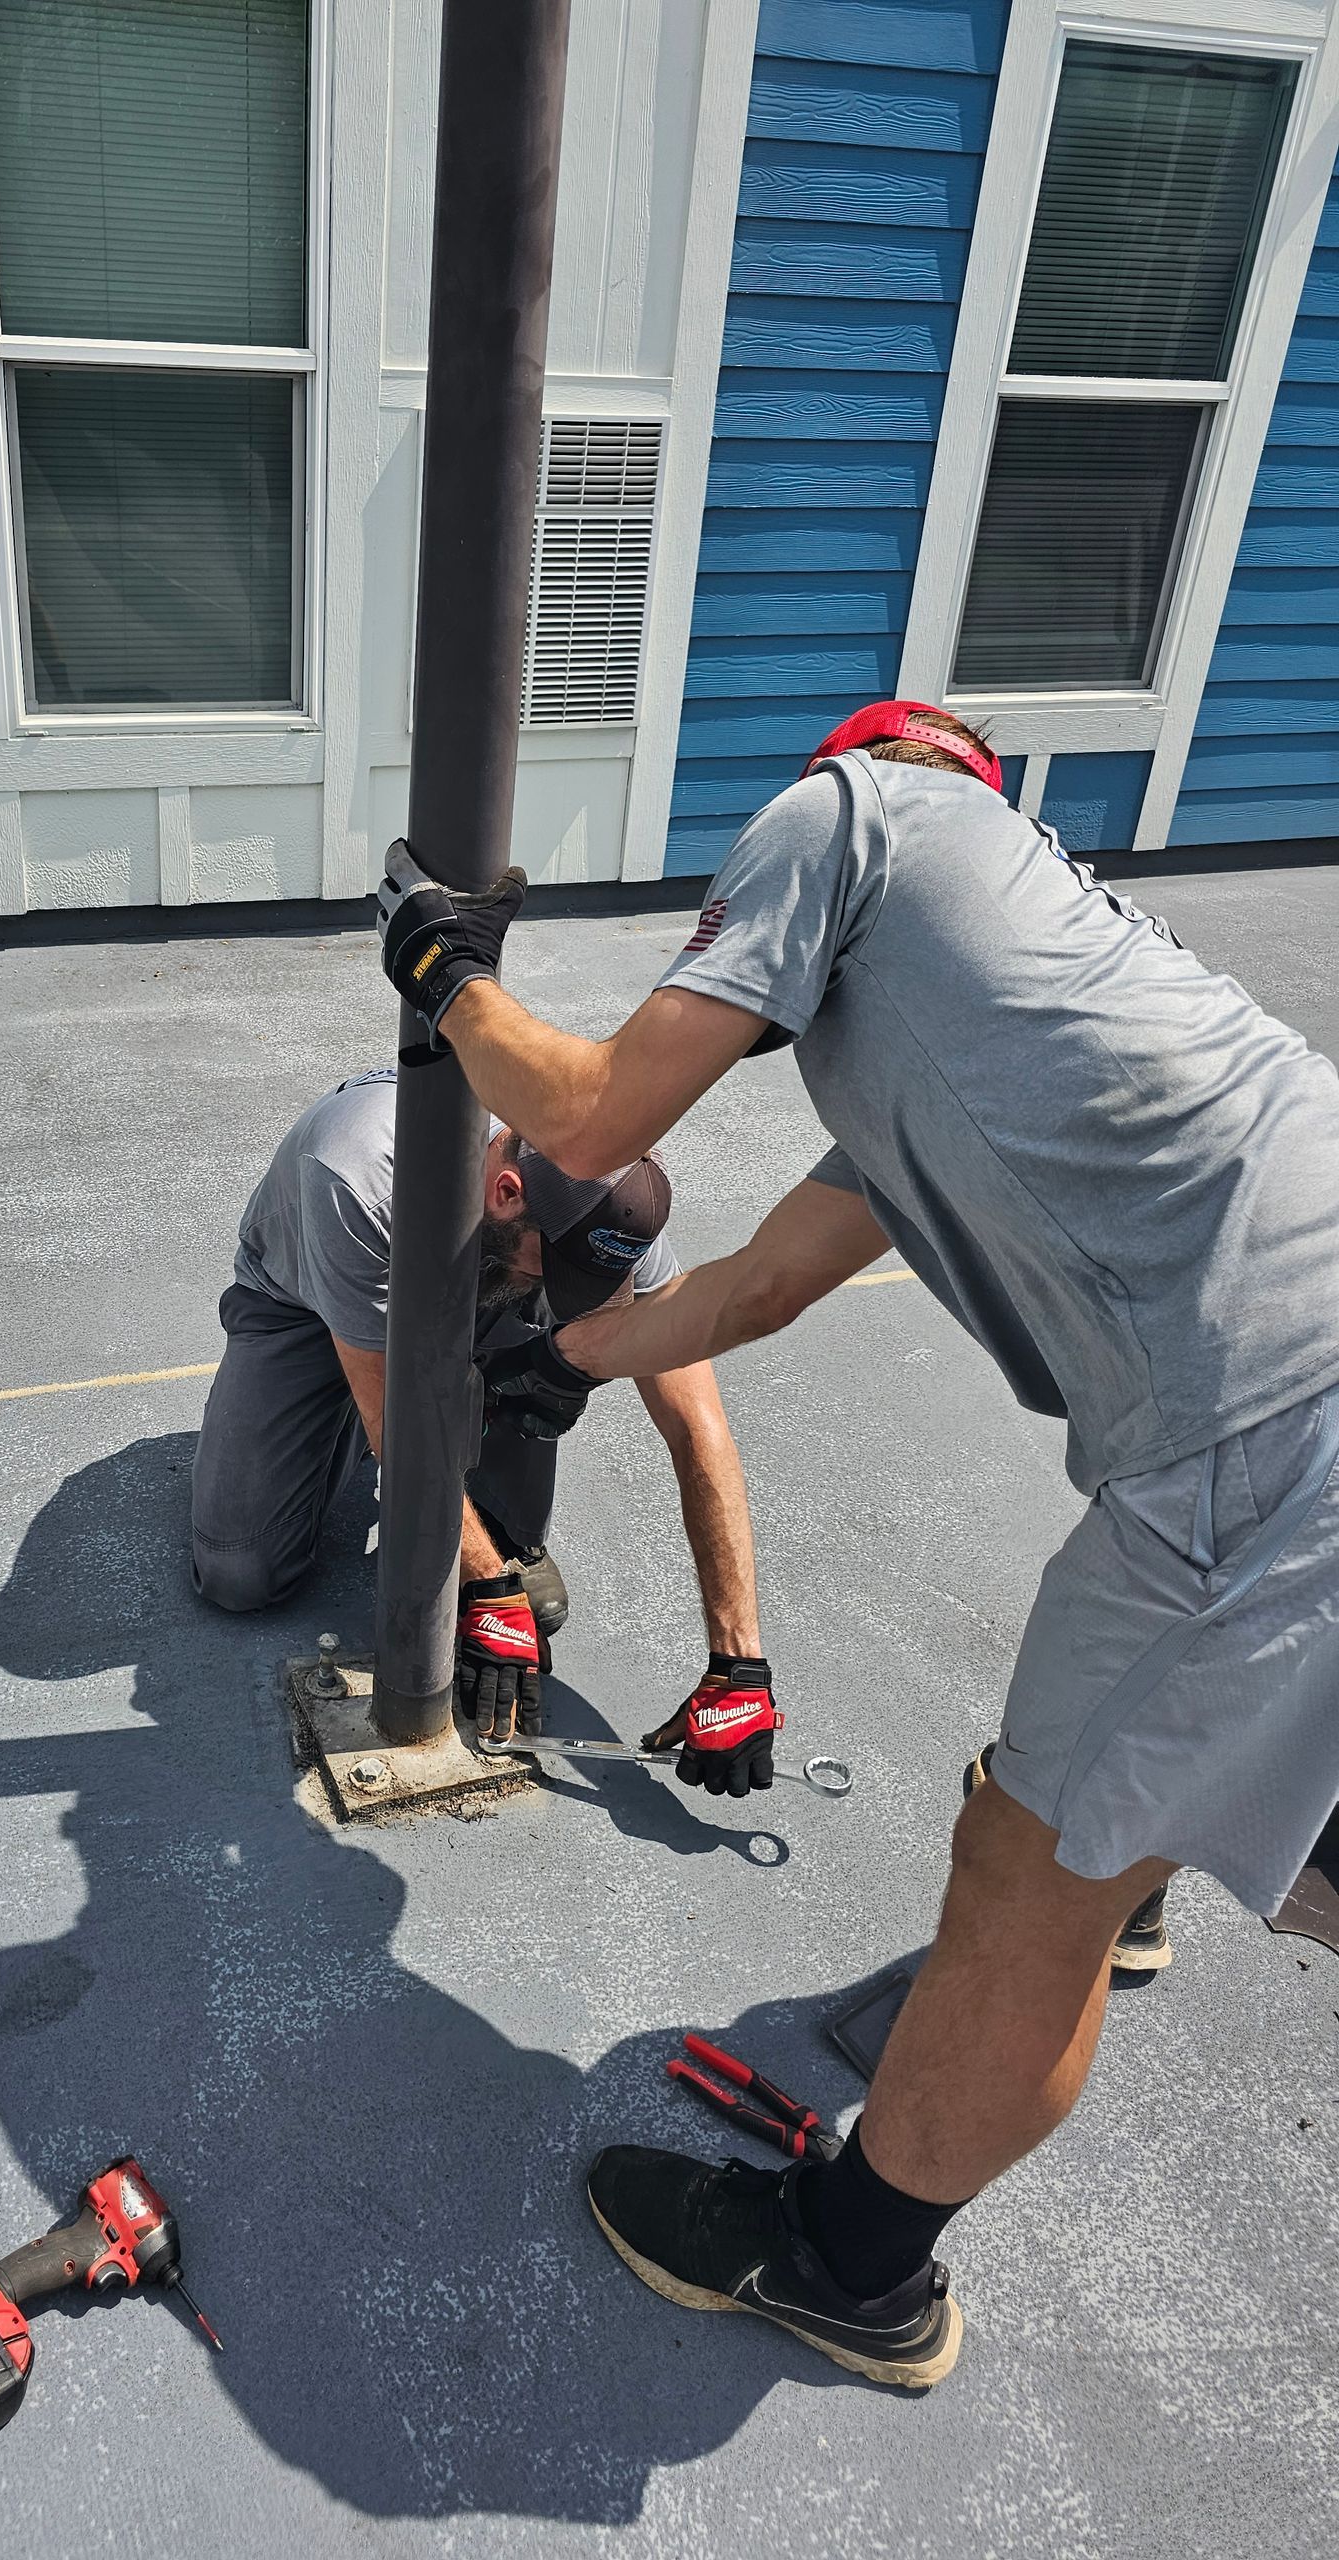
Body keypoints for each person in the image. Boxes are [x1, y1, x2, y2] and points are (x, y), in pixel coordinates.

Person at [376, 700, 1339, 2389]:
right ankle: (1151, 1870)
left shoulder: (855, 818)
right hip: (1299, 1397)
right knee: (1145, 1776)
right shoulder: (971, 1044)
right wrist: (554, 1360)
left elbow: (589, 1119)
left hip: (1269, 1443)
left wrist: (438, 972)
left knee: (1023, 1881)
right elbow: (748, 1290)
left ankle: (848, 2265)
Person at [191, 1066, 772, 1752]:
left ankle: (494, 1512)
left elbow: (696, 1426)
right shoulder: (360, 1173)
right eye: (552, 1267)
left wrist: (738, 1659)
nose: (565, 1287)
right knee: (241, 1572)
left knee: (569, 1332)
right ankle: (345, 1414)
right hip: (312, 1308)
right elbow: (393, 1422)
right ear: (506, 1191)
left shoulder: (609, 1198)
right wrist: (489, 1588)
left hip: (472, 1294)